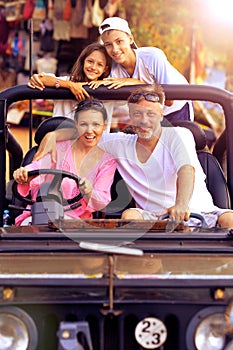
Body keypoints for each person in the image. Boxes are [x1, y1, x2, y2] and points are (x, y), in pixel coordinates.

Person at [34, 84, 233, 228]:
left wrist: (181, 205)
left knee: (230, 219)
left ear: (162, 115)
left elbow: (186, 170)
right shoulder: (120, 144)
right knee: (129, 215)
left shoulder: (178, 134)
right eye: (137, 114)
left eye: (151, 114)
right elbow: (87, 132)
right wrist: (53, 134)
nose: (144, 121)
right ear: (130, 116)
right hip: (154, 220)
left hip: (201, 215)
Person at [13, 100, 116, 226]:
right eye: (84, 124)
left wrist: (89, 192)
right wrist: (24, 174)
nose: (90, 130)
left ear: (104, 126)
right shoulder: (57, 147)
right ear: (76, 125)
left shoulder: (107, 161)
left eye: (96, 124)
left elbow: (101, 201)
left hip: (76, 222)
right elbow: (36, 167)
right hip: (40, 214)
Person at [90, 16, 194, 122]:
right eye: (108, 45)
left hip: (177, 110)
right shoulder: (113, 70)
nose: (115, 49)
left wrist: (135, 83)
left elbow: (169, 100)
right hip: (149, 116)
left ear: (130, 39)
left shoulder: (153, 56)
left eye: (119, 41)